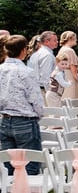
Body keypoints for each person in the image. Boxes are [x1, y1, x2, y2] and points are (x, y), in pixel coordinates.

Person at [0, 34, 45, 175]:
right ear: (24, 50)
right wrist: (39, 115)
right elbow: (36, 99)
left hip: (5, 120)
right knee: (30, 166)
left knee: (9, 167)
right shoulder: (26, 72)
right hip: (25, 120)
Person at [27, 31, 58, 100]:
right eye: (55, 40)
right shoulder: (47, 55)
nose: (57, 42)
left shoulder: (35, 53)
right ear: (47, 42)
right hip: (43, 91)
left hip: (34, 89)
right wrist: (50, 93)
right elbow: (46, 76)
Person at [58, 31, 78, 100]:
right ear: (70, 39)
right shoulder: (70, 51)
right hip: (71, 78)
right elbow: (74, 70)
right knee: (72, 100)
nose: (76, 40)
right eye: (75, 38)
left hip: (64, 77)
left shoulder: (62, 49)